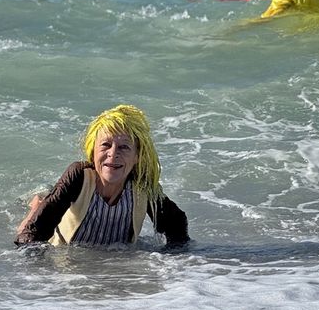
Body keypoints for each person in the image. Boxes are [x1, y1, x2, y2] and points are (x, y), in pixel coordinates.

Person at [14, 105, 190, 249]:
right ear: (92, 151)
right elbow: (34, 232)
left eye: (124, 147)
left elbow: (176, 223)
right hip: (63, 248)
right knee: (31, 220)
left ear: (137, 156)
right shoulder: (79, 177)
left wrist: (172, 263)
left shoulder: (142, 187)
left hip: (110, 260)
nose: (113, 154)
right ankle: (36, 203)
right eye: (106, 145)